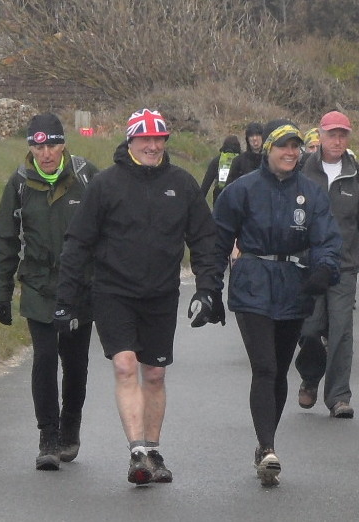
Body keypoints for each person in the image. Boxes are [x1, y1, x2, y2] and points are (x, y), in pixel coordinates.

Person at [55, 108, 223, 485]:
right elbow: (78, 243)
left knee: (156, 373)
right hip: (113, 291)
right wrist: (66, 299)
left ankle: (152, 448)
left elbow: (204, 239)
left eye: (159, 139)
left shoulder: (182, 184)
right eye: (145, 139)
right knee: (125, 365)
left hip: (161, 293)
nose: (152, 145)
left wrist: (208, 289)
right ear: (130, 140)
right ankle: (137, 453)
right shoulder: (105, 184)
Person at [211, 119, 341, 486]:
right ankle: (267, 448)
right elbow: (218, 240)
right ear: (268, 150)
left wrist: (323, 269)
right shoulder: (241, 190)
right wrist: (209, 288)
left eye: (295, 147)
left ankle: (265, 443)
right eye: (282, 146)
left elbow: (327, 239)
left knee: (281, 370)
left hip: (293, 286)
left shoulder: (312, 194)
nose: (289, 152)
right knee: (264, 367)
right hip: (252, 283)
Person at [0, 113, 98, 471]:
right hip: (38, 285)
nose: (46, 152)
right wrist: (1, 294)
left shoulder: (87, 177)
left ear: (63, 143)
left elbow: (112, 231)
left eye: (52, 144)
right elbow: (5, 240)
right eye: (38, 145)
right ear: (30, 147)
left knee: (76, 362)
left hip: (80, 287)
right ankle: (48, 437)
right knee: (44, 359)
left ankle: (70, 427)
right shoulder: (20, 182)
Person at [294, 110, 359, 418]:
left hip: (344, 268)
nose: (337, 140)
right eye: (332, 134)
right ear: (320, 136)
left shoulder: (356, 174)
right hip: (308, 266)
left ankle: (339, 397)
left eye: (343, 134)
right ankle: (309, 377)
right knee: (309, 329)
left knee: (341, 332)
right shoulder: (303, 171)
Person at [200, 134, 241, 204]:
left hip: (219, 198)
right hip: (236, 199)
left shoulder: (217, 160)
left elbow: (205, 185)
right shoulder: (241, 160)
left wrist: (198, 203)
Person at [226, 121, 263, 186]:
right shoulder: (239, 161)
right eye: (251, 136)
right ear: (247, 139)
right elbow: (230, 188)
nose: (255, 138)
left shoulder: (270, 160)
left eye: (257, 135)